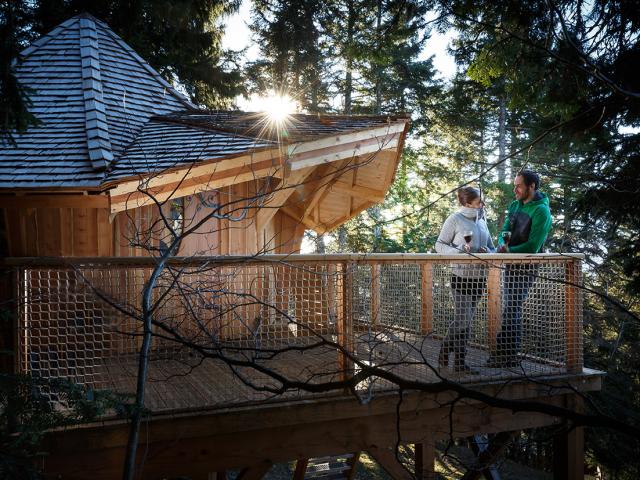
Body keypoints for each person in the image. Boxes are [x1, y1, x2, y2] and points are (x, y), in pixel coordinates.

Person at [488, 169, 552, 368]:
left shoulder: (542, 211)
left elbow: (533, 246)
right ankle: (507, 355)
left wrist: (508, 251)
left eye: (518, 185)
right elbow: (504, 230)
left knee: (512, 308)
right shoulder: (515, 205)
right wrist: (502, 245)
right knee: (511, 308)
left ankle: (506, 355)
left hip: (527, 266)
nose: (514, 189)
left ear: (531, 186)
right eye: (515, 185)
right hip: (511, 262)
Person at [435, 186, 495, 373]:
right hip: (460, 276)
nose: (483, 204)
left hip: (479, 278)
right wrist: (459, 251)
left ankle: (456, 359)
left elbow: (492, 248)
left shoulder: (482, 221)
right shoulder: (455, 219)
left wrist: (489, 252)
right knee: (462, 319)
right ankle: (452, 355)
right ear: (467, 203)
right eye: (479, 201)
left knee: (467, 321)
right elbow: (439, 245)